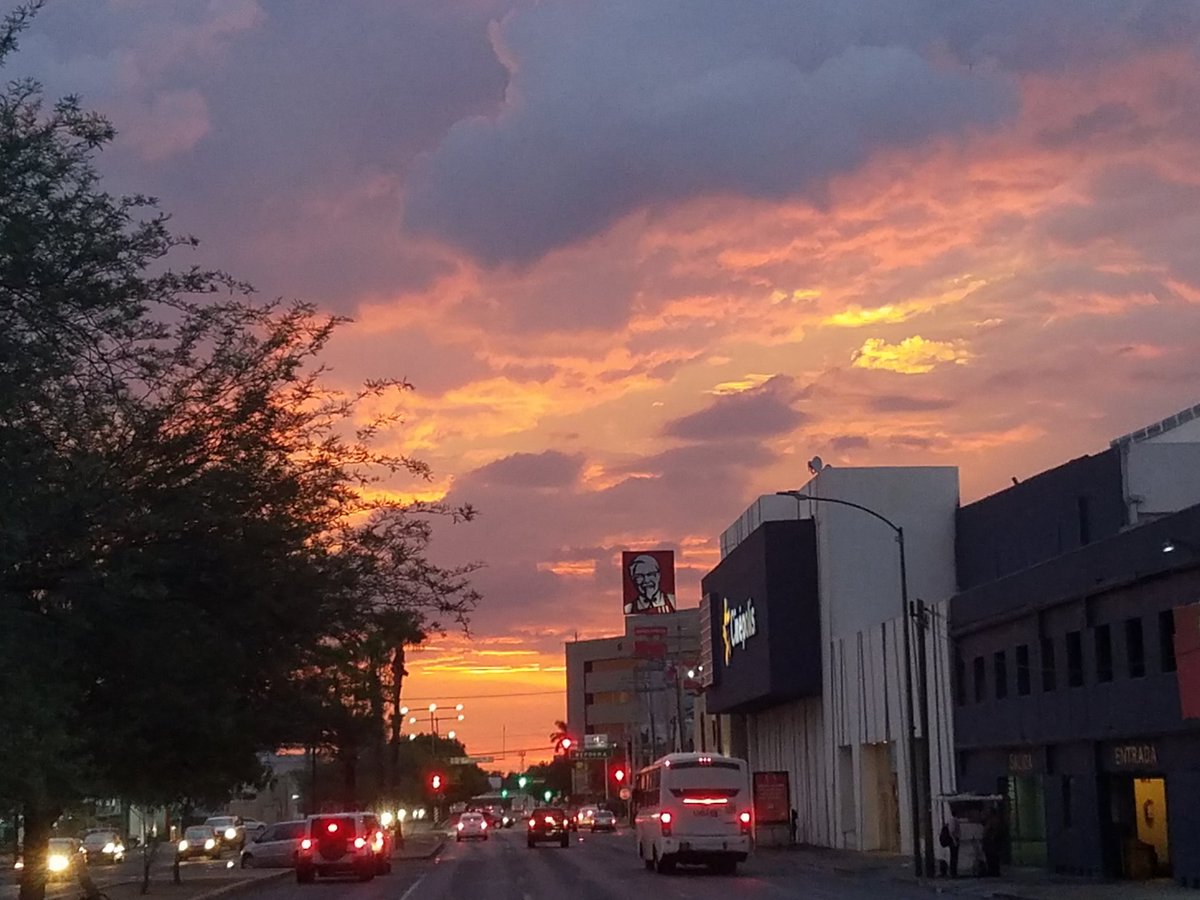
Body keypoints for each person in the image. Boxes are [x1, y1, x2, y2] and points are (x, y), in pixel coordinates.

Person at [982, 807, 1003, 877]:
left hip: (991, 843)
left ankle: (993, 871)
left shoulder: (992, 820)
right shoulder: (995, 820)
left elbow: (988, 830)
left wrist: (990, 837)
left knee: (992, 857)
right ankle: (994, 871)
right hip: (992, 842)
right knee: (994, 857)